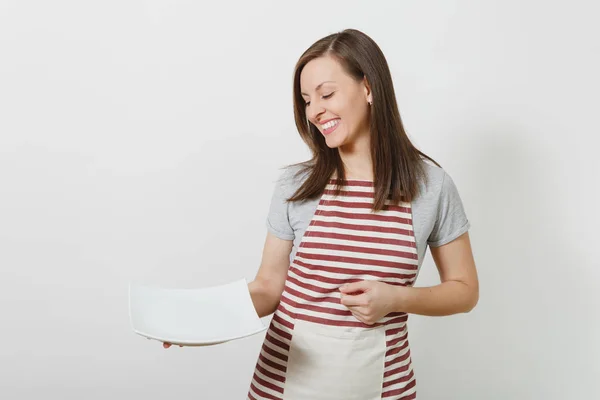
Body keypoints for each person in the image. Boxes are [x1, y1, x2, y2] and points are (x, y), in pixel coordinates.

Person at [167, 28, 479, 400]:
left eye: (326, 94)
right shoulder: (296, 186)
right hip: (283, 385)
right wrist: (198, 324)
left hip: (384, 388)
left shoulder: (431, 186)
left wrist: (395, 298)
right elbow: (268, 288)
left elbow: (464, 291)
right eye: (306, 99)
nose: (315, 110)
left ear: (368, 88)